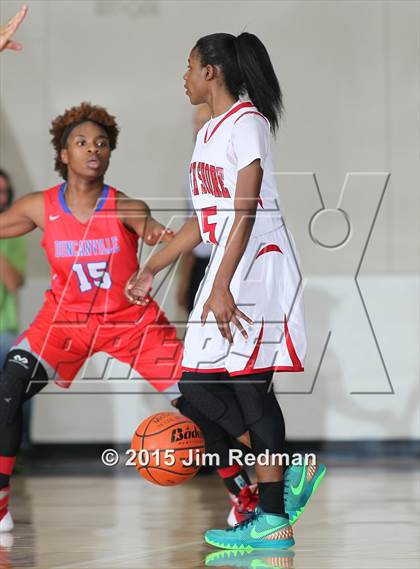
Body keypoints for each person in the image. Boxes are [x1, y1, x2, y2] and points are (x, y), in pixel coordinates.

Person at [126, 32, 326, 550]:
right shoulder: (209, 133)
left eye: (189, 66)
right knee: (194, 388)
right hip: (228, 264)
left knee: (248, 386)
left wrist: (218, 286)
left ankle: (273, 519)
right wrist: (153, 267)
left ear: (212, 71)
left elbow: (245, 210)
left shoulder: (249, 124)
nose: (185, 76)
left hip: (259, 266)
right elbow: (204, 220)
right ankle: (285, 474)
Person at [0, 101, 184, 534]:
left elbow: (149, 225)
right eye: (81, 142)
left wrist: (155, 232)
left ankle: (243, 495)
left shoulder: (124, 206)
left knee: (200, 401)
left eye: (101, 143)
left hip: (129, 323)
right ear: (64, 154)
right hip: (64, 324)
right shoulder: (38, 206)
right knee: (8, 388)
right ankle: (1, 502)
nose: (92, 149)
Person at [0, 170, 30, 448]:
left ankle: (17, 449)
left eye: (4, 193)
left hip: (3, 328)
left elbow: (13, 282)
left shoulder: (13, 235)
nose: (1, 198)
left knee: (18, 382)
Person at [176, 104, 212, 315]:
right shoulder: (190, 172)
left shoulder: (242, 169)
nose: (198, 131)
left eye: (205, 123)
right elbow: (190, 223)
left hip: (232, 264)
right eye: (196, 124)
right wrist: (185, 280)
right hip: (201, 264)